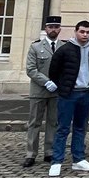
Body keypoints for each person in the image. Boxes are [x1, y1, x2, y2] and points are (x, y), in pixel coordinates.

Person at [47, 20, 89, 177]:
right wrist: (64, 86)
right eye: (82, 32)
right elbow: (54, 71)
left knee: (80, 127)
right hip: (68, 94)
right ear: (76, 31)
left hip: (86, 93)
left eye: (87, 32)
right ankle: (57, 161)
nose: (85, 35)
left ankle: (78, 159)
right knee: (63, 128)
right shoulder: (65, 50)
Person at [23, 15, 62, 168]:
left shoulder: (63, 47)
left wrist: (57, 83)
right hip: (39, 91)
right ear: (46, 29)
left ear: (60, 29)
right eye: (50, 27)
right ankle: (31, 154)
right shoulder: (35, 47)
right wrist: (46, 82)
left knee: (53, 122)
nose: (53, 30)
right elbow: (31, 69)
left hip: (56, 91)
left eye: (56, 27)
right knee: (34, 123)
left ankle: (49, 152)